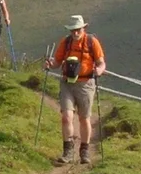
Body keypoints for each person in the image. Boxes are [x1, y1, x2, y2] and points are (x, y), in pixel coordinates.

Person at [45, 15, 105, 164]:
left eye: (78, 30)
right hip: (67, 83)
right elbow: (57, 62)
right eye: (73, 30)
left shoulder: (92, 42)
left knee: (84, 119)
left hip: (86, 84)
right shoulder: (65, 43)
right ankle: (68, 152)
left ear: (84, 28)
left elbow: (101, 63)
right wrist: (50, 64)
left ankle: (84, 152)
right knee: (66, 117)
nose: (75, 33)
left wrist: (99, 70)